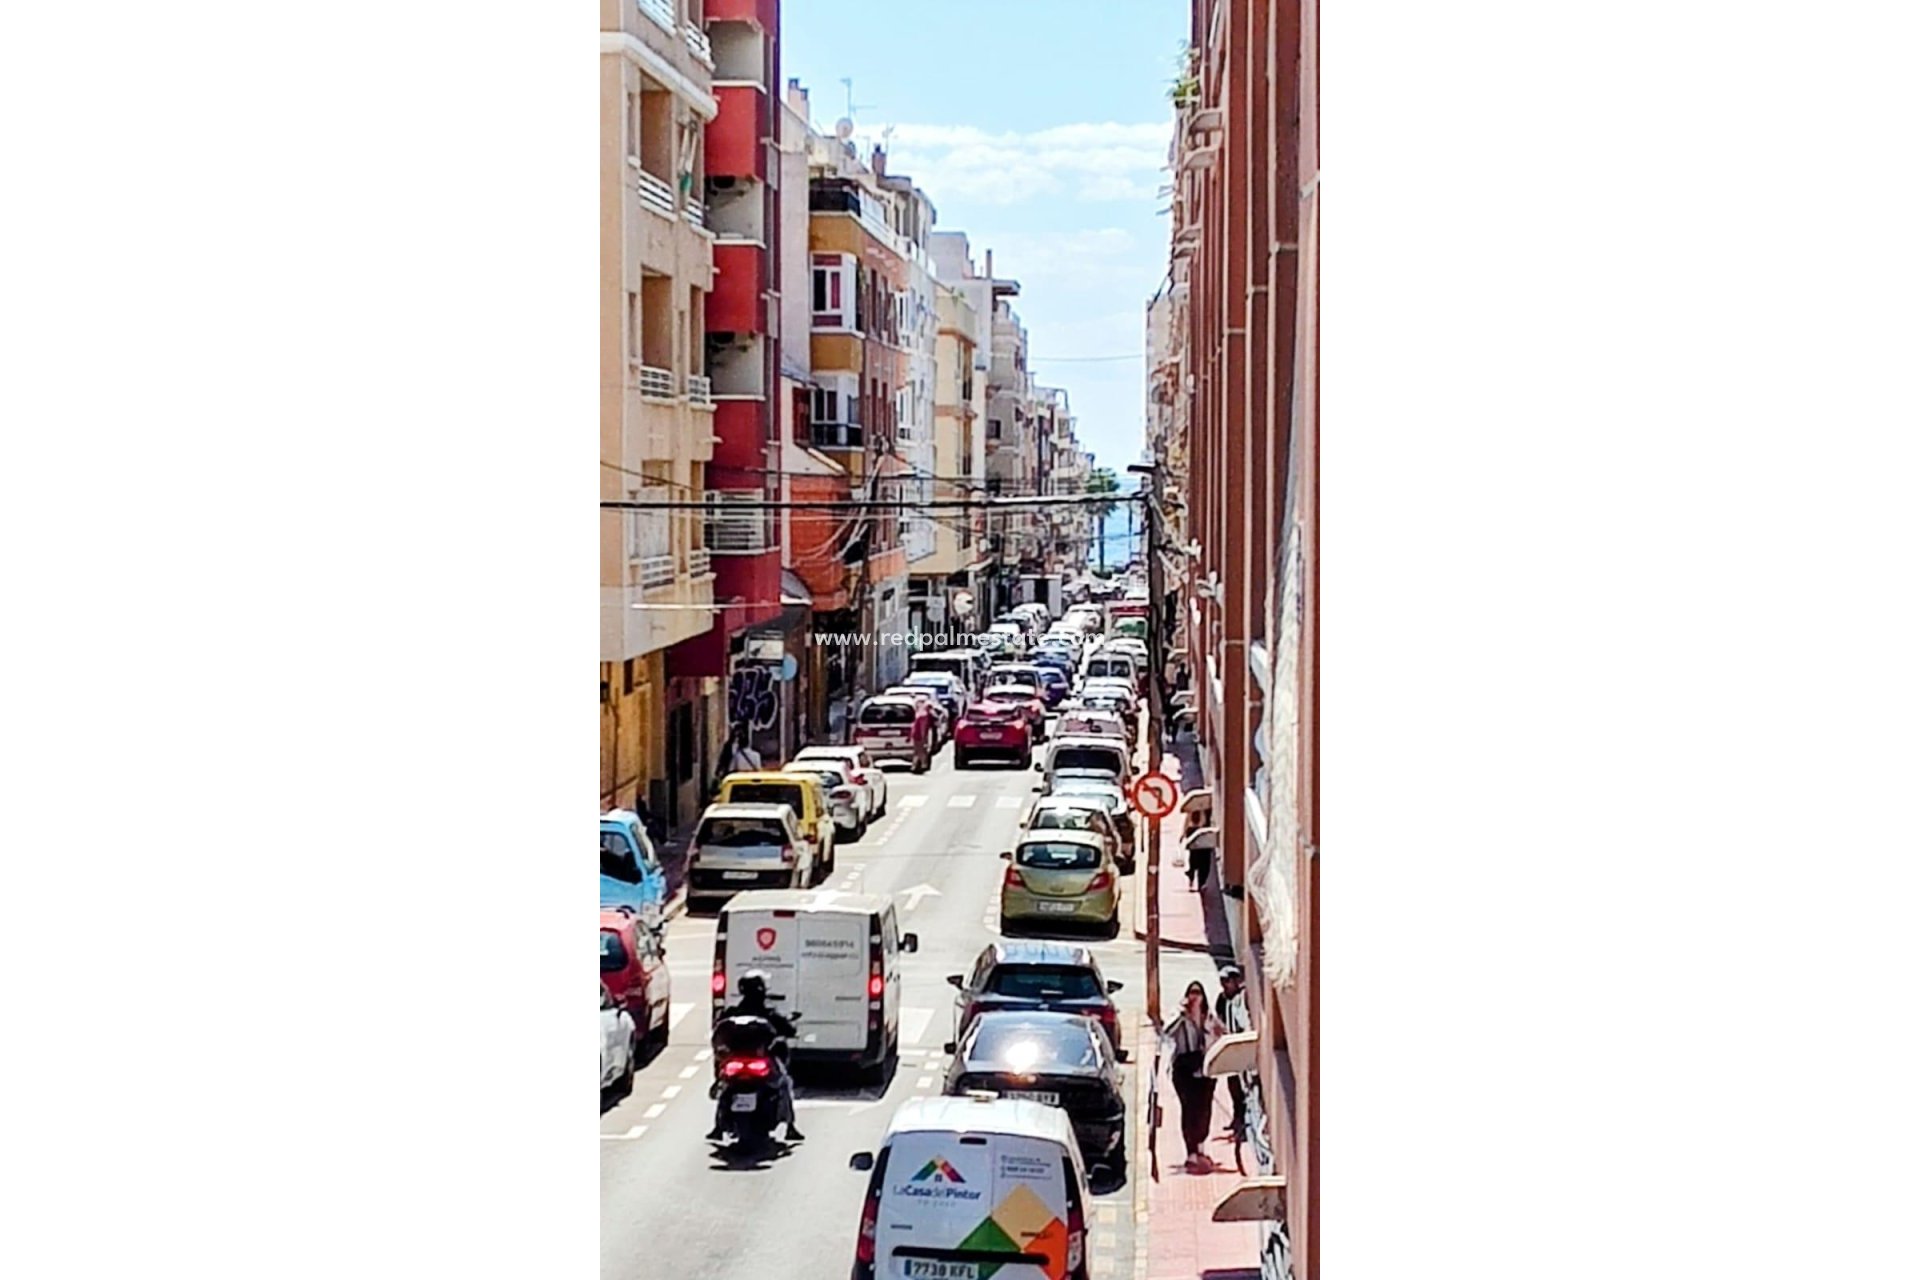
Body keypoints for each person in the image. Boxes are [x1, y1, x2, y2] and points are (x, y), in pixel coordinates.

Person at [706, 971, 804, 1142]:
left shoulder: (733, 1012)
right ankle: (790, 1127)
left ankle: (718, 1128)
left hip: (743, 1062)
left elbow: (718, 1029)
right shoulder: (768, 1013)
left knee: (725, 1085)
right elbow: (788, 1029)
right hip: (755, 1061)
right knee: (784, 1083)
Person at [1163, 980, 1226, 1172]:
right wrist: (1182, 1015)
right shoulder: (1179, 1015)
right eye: (1192, 992)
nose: (1195, 996)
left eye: (1198, 992)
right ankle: (1190, 1151)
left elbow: (1222, 1034)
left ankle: (1200, 1146)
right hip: (1184, 1069)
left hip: (1206, 1069)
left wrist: (1218, 1033)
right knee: (1189, 1109)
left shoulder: (1209, 1016)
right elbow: (1166, 1032)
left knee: (1204, 1109)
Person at [1214, 966, 1249, 1141]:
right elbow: (1219, 1018)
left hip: (1241, 1049)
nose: (1224, 984)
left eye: (1227, 980)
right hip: (1230, 1049)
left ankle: (1244, 1125)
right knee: (1233, 1086)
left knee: (1244, 1089)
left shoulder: (1242, 998)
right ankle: (1236, 1119)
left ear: (1236, 981)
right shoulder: (1222, 999)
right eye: (1222, 981)